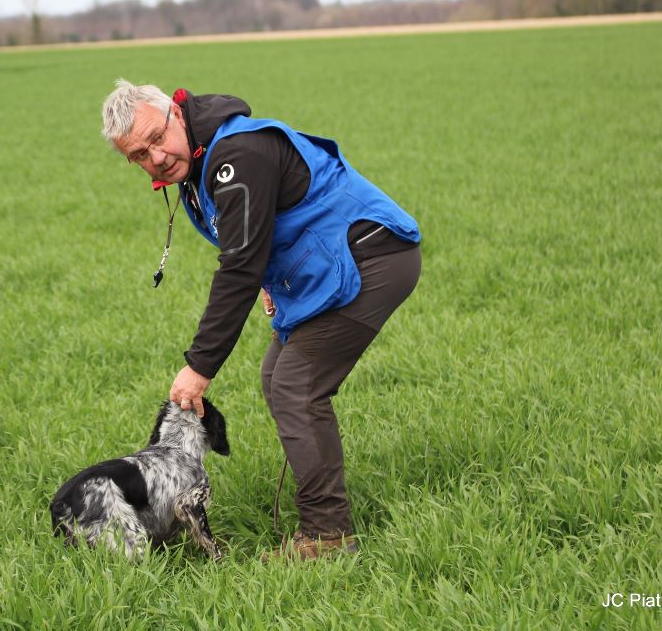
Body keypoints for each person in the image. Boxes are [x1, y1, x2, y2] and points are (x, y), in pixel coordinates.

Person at [101, 79, 422, 560]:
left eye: (157, 137)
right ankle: (324, 522)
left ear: (176, 112)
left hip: (372, 256)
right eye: (139, 155)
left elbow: (239, 266)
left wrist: (199, 365)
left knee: (296, 384)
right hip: (333, 261)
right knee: (278, 377)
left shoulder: (238, 155)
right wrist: (274, 281)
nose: (157, 157)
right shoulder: (198, 162)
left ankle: (328, 536)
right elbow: (258, 232)